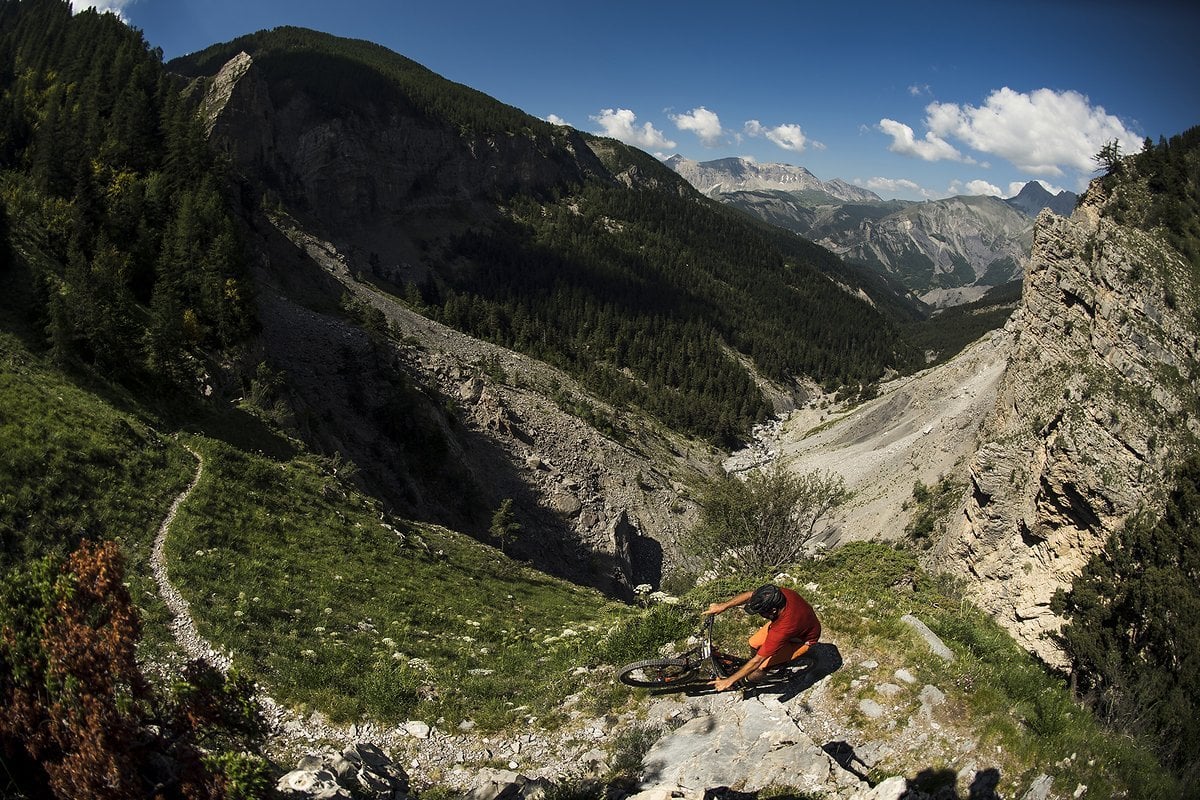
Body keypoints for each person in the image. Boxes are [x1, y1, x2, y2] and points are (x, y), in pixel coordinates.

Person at [702, 583, 820, 692]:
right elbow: (750, 595)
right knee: (753, 642)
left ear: (773, 610)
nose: (760, 615)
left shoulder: (782, 629)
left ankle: (742, 684)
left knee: (761, 667)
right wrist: (723, 606)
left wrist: (729, 681)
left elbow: (758, 660)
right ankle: (752, 668)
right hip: (797, 626)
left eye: (761, 612)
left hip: (802, 641)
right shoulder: (779, 594)